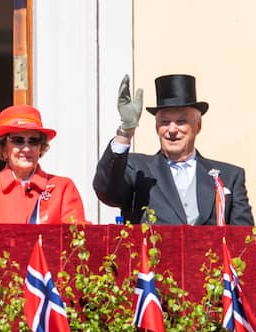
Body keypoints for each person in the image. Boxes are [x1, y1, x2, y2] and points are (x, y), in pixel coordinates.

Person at [93, 74, 253, 225]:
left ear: (198, 126)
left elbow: (244, 242)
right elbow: (106, 191)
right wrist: (126, 132)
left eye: (181, 121)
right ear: (156, 127)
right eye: (164, 122)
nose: (172, 129)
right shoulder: (137, 170)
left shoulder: (229, 177)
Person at [0, 105, 86, 224]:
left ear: (40, 147)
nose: (27, 148)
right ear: (4, 148)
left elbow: (77, 239)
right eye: (18, 140)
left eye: (34, 141)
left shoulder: (63, 188)